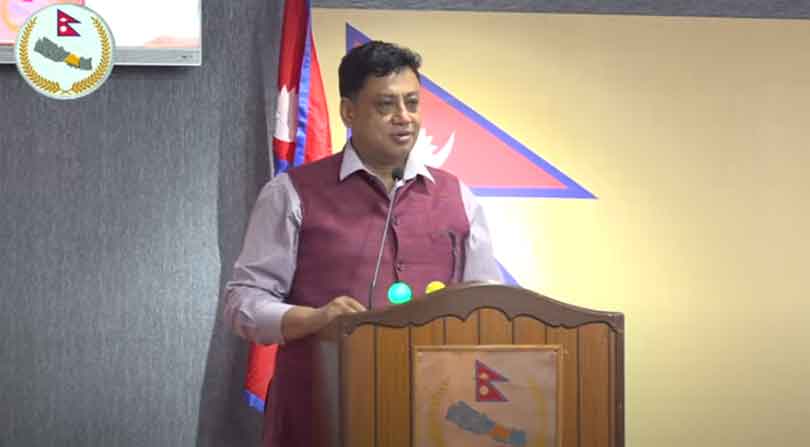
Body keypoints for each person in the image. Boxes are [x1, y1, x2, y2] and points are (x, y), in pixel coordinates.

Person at [224, 40, 502, 446]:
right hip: (320, 411)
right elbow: (243, 302)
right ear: (348, 112)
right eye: (386, 105)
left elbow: (488, 304)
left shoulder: (458, 196)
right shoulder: (290, 193)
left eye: (412, 103)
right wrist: (314, 319)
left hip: (432, 413)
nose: (404, 117)